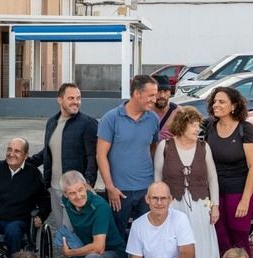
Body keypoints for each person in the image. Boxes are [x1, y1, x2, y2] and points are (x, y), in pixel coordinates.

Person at [152, 105, 220, 258]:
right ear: (182, 125)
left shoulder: (203, 147)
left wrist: (215, 205)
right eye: (193, 125)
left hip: (199, 206)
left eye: (198, 125)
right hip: (174, 206)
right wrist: (159, 205)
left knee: (202, 247)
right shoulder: (165, 146)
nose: (197, 129)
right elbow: (157, 177)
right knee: (173, 250)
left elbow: (213, 178)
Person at [96, 74, 160, 236]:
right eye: (151, 95)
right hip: (119, 191)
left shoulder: (153, 119)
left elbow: (153, 148)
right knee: (117, 236)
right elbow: (101, 155)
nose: (155, 99)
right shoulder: (111, 118)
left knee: (146, 235)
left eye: (156, 94)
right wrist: (110, 187)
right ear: (137, 94)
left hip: (146, 189)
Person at [30, 82, 98, 231]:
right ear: (60, 100)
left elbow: (92, 156)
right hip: (54, 188)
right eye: (71, 98)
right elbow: (49, 150)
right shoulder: (51, 123)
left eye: (78, 98)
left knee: (71, 230)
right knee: (63, 230)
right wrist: (27, 162)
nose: (76, 102)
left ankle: (79, 254)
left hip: (75, 191)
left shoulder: (88, 124)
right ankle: (70, 254)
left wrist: (88, 183)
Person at [203, 86, 253, 258]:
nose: (216, 105)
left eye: (222, 101)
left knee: (239, 238)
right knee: (219, 237)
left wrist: (245, 199)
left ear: (233, 106)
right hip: (213, 193)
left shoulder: (246, 129)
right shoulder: (209, 127)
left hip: (238, 192)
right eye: (214, 101)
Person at [153, 75, 177, 140]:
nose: (162, 95)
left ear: (170, 93)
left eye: (166, 91)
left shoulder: (178, 113)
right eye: (158, 91)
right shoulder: (144, 112)